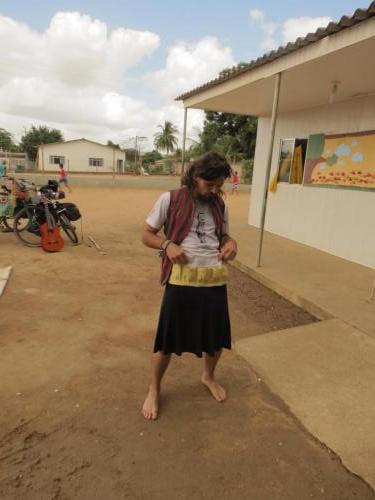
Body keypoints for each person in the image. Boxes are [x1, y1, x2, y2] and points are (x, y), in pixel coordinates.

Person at [141, 152, 238, 420]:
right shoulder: (170, 199)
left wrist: (231, 243)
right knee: (166, 340)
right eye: (210, 185)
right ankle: (154, 389)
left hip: (214, 279)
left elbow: (225, 235)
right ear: (196, 177)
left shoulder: (220, 204)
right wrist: (167, 244)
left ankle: (208, 376)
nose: (215, 191)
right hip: (181, 280)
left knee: (216, 337)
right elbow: (146, 234)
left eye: (219, 185)